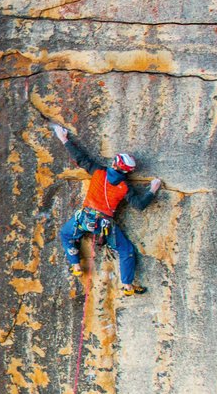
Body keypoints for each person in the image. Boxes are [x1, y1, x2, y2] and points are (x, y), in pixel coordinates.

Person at [52, 123, 163, 295]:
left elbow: (81, 158)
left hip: (84, 217)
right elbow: (139, 205)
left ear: (115, 164)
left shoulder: (99, 172)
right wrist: (152, 189)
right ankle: (127, 285)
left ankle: (75, 264)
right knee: (126, 250)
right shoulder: (125, 187)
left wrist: (64, 139)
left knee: (66, 234)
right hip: (104, 224)